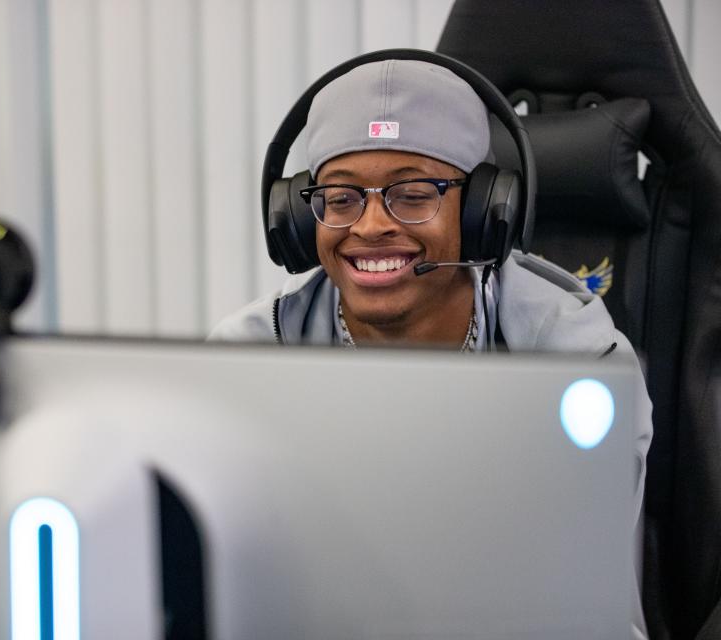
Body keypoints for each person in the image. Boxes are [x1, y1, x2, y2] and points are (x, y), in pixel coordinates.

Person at [210, 58, 652, 638]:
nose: (370, 227)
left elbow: (575, 595)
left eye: (413, 194)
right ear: (299, 217)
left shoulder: (577, 364)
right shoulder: (248, 358)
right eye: (341, 199)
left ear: (481, 213)